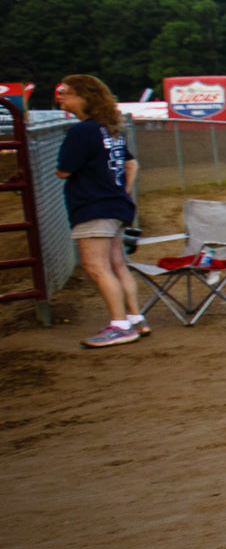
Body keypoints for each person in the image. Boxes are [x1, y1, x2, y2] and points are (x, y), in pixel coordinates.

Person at [53, 75, 144, 349]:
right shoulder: (109, 129)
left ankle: (119, 325)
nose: (60, 97)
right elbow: (132, 165)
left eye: (66, 93)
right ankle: (135, 319)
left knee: (96, 267)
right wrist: (120, 192)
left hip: (93, 207)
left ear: (84, 97)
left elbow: (63, 171)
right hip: (114, 206)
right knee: (117, 264)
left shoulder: (82, 131)